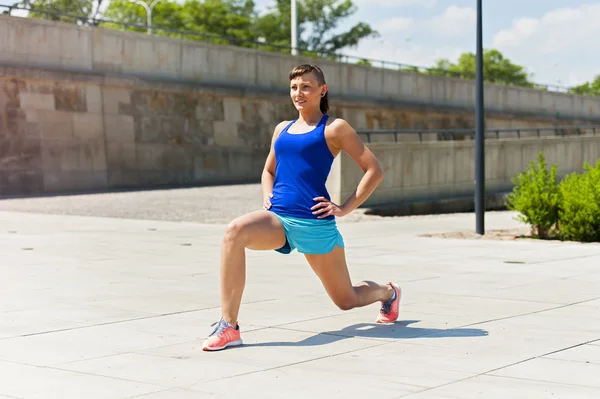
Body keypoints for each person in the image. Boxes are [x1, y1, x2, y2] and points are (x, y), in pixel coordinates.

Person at [201, 64, 401, 351]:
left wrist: (344, 208)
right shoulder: (282, 129)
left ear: (322, 90)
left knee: (346, 300)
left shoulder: (335, 128)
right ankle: (229, 326)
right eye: (294, 87)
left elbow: (374, 170)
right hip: (278, 220)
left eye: (306, 87)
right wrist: (267, 195)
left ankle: (388, 292)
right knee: (235, 231)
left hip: (315, 225)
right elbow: (268, 171)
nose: (299, 93)